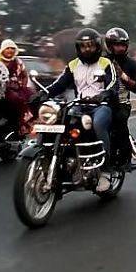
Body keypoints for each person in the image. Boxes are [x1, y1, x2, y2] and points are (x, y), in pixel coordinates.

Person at [29, 28, 119, 191]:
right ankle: (64, 159)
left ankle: (106, 169)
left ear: (97, 47)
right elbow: (60, 84)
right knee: (60, 122)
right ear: (78, 48)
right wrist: (43, 93)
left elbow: (113, 83)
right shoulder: (73, 65)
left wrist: (105, 94)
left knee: (98, 124)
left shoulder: (106, 63)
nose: (87, 49)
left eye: (90, 46)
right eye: (83, 46)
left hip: (101, 106)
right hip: (79, 105)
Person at [104, 27, 136, 171]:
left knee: (119, 119)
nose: (120, 48)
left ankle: (125, 157)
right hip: (99, 102)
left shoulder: (130, 64)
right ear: (109, 45)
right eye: (117, 45)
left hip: (121, 103)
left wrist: (124, 77)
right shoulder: (102, 61)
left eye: (123, 45)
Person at [0, 39, 34, 134]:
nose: (10, 50)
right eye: (7, 48)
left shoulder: (18, 62)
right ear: (2, 50)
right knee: (15, 99)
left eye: (12, 48)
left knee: (33, 96)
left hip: (18, 88)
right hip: (3, 89)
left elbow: (25, 75)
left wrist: (23, 86)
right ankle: (24, 118)